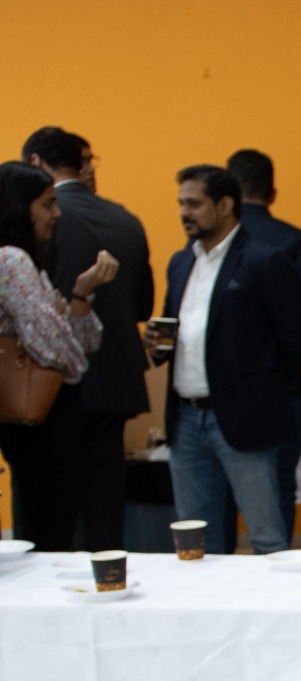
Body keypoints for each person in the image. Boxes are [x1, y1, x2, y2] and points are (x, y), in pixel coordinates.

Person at [156, 165, 301, 555]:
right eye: (181, 203)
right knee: (195, 542)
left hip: (245, 416)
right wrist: (158, 342)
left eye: (194, 204)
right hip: (186, 417)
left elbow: (297, 343)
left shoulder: (264, 261)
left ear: (224, 205)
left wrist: (258, 388)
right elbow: (176, 328)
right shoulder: (180, 263)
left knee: (266, 537)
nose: (184, 213)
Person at [21, 127, 154, 551]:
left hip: (49, 383)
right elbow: (143, 306)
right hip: (114, 378)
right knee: (104, 506)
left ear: (36, 162)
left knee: (47, 510)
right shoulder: (125, 219)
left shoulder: (35, 222)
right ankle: (109, 576)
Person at [0, 161, 117, 544]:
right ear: (19, 207)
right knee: (50, 528)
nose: (57, 213)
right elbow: (58, 349)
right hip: (44, 416)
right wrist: (69, 342)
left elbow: (84, 341)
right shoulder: (12, 260)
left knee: (46, 521)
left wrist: (81, 293)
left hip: (40, 414)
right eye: (47, 204)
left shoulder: (26, 260)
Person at [227, 149, 301, 543]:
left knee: (219, 493)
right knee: (281, 484)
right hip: (282, 385)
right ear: (272, 193)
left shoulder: (216, 245)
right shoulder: (294, 241)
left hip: (223, 387)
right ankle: (278, 564)